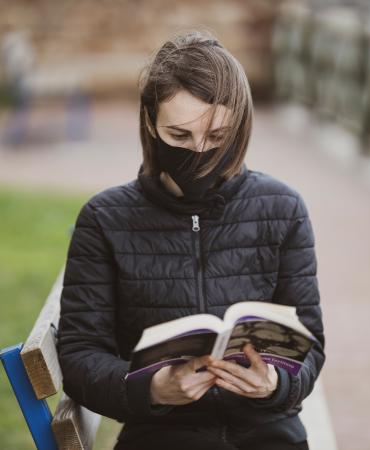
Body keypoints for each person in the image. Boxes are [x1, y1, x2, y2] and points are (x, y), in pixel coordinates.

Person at [56, 29, 325, 450]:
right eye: (179, 136)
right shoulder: (105, 218)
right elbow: (80, 351)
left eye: (218, 138)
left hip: (269, 434)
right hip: (161, 436)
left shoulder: (282, 207)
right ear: (150, 122)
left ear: (239, 127)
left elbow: (309, 341)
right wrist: (150, 389)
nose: (199, 152)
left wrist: (275, 383)